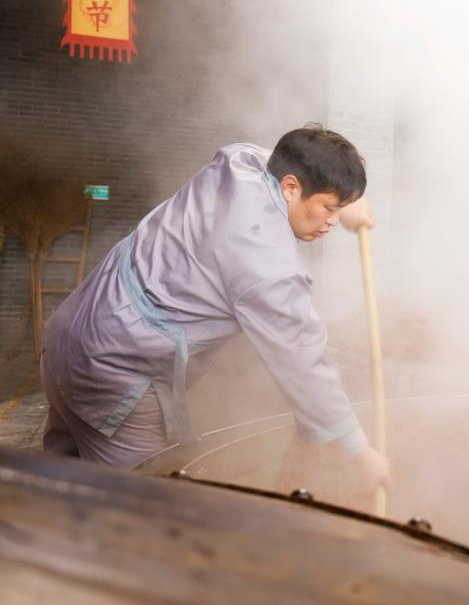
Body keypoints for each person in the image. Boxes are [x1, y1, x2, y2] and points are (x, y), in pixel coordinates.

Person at [40, 124, 391, 498]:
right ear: (291, 187)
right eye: (328, 209)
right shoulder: (266, 261)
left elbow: (279, 158)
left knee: (53, 485)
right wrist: (358, 449)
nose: (332, 222)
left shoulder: (238, 162)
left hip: (68, 335)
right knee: (141, 508)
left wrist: (342, 200)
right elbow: (303, 359)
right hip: (112, 374)